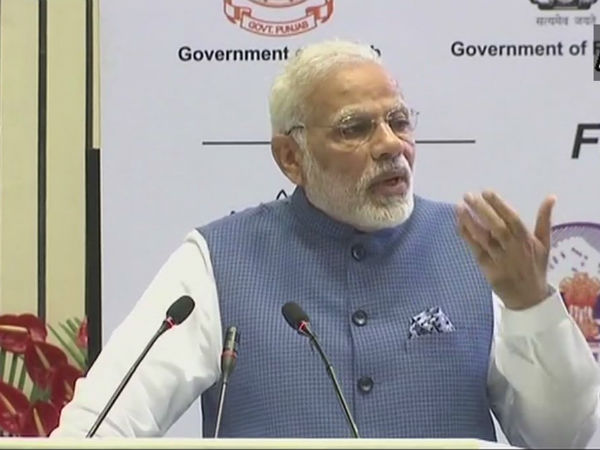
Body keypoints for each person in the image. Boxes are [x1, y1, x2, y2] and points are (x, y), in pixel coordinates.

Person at [52, 39, 600, 447]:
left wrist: (532, 306)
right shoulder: (218, 261)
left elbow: (562, 439)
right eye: (355, 128)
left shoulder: (476, 250)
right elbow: (98, 429)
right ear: (291, 158)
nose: (391, 145)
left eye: (399, 121)